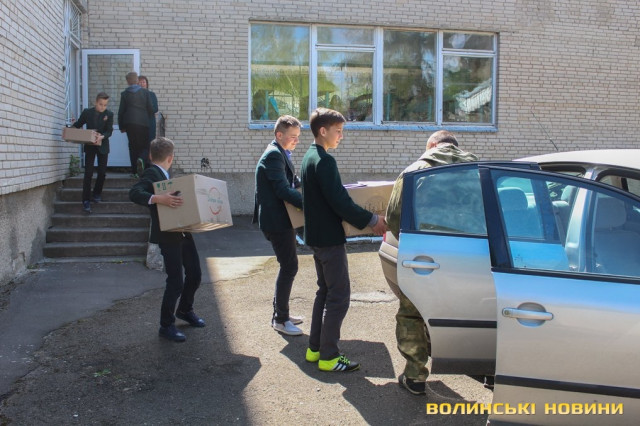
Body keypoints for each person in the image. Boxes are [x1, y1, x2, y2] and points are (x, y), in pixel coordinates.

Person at [385, 130, 478, 395]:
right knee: (473, 311)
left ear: (432, 145)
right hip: (473, 256)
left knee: (413, 313)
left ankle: (415, 375)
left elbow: (393, 218)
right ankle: (481, 367)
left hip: (425, 257)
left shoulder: (414, 172)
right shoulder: (479, 172)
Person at [300, 107, 387, 372]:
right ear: (322, 131)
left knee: (324, 292)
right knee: (338, 297)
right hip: (329, 239)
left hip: (316, 237)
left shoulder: (309, 157)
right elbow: (340, 202)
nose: (341, 136)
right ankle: (329, 356)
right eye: (338, 131)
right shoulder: (325, 161)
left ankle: (315, 349)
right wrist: (373, 220)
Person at [129, 137, 205, 342]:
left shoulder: (166, 175)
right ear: (171, 158)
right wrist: (158, 198)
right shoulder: (152, 173)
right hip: (168, 236)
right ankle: (166, 325)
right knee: (175, 281)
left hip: (183, 232)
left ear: (150, 155)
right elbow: (134, 193)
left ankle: (185, 310)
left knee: (195, 274)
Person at [253, 115, 305, 336]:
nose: (296, 141)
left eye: (298, 136)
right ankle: (280, 320)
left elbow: (293, 182)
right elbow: (283, 190)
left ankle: (282, 313)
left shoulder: (280, 153)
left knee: (288, 266)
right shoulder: (274, 155)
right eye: (293, 137)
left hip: (282, 220)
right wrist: (311, 205)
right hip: (277, 222)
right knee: (289, 266)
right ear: (279, 135)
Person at [71, 92, 113, 213]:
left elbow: (109, 131)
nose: (102, 107)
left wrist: (102, 137)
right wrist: (71, 128)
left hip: (102, 146)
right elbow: (78, 124)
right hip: (90, 146)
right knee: (88, 173)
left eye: (105, 105)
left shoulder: (109, 114)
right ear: (95, 102)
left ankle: (97, 193)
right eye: (100, 104)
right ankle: (86, 200)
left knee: (102, 172)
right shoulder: (87, 112)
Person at [118, 71, 155, 177]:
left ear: (128, 81)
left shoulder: (124, 94)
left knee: (133, 147)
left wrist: (122, 126)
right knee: (145, 146)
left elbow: (121, 111)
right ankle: (141, 159)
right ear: (137, 81)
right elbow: (151, 109)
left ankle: (135, 172)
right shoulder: (145, 92)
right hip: (143, 123)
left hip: (130, 124)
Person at [138, 75, 159, 142]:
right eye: (140, 82)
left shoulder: (152, 95)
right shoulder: (135, 95)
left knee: (151, 142)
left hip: (150, 123)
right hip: (139, 123)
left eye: (143, 82)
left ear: (147, 84)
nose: (142, 84)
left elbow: (156, 108)